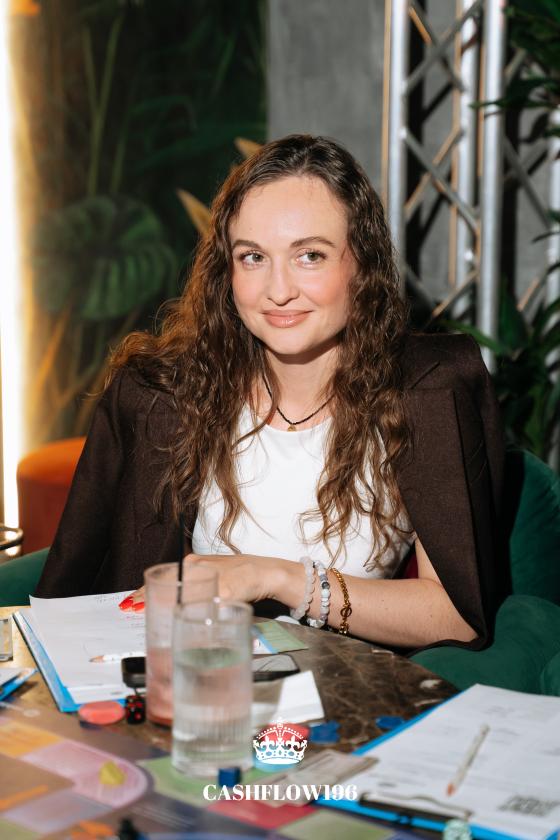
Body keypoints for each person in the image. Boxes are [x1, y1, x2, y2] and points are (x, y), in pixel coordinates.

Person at [35, 134, 504, 651]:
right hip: (192, 682)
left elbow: (456, 615)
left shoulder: (429, 392)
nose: (278, 291)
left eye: (310, 255)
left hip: (349, 692)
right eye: (254, 257)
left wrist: (277, 578)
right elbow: (79, 587)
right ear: (227, 269)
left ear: (362, 264)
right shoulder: (160, 395)